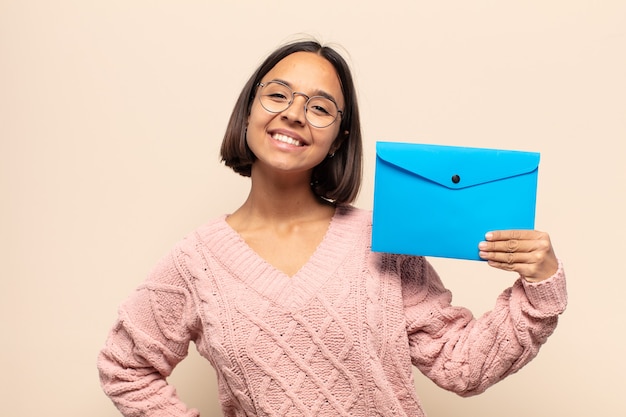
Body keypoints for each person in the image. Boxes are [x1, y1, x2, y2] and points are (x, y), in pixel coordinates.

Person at [97, 39, 567, 417]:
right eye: (278, 94)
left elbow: (462, 367)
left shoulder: (383, 242)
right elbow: (125, 368)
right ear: (249, 111)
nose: (295, 113)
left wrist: (540, 285)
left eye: (320, 107)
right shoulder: (194, 263)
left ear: (340, 137)